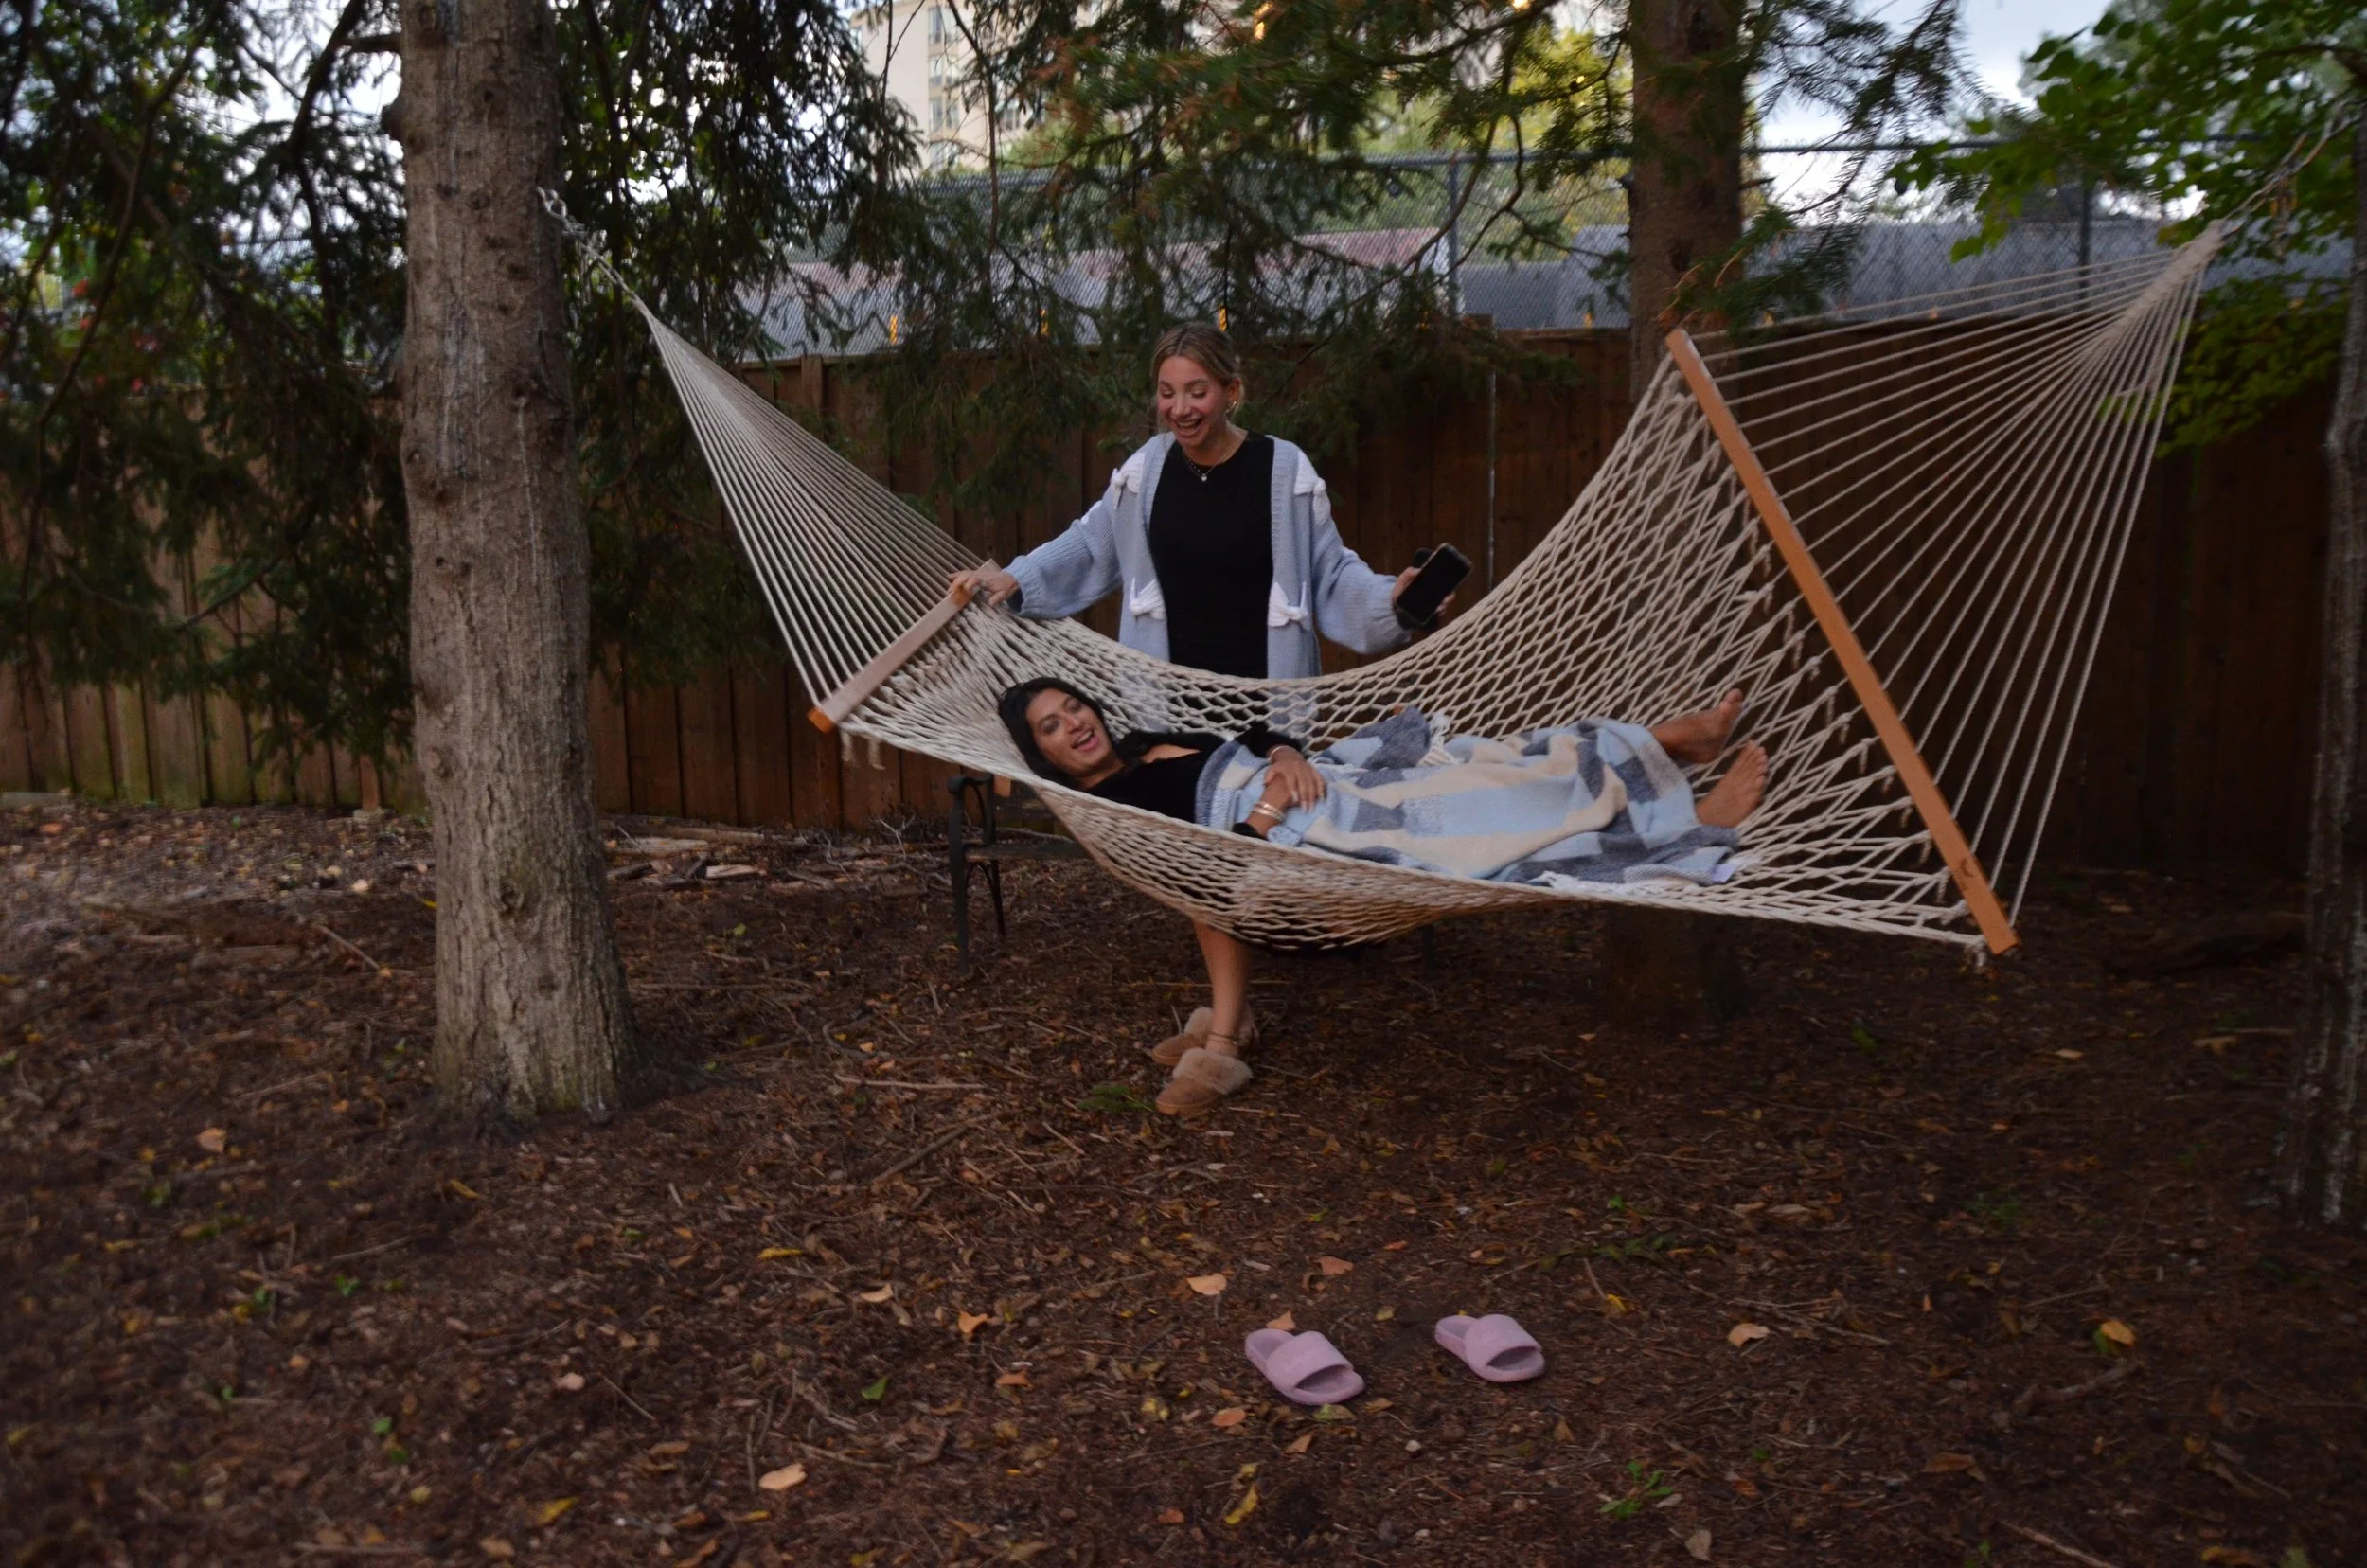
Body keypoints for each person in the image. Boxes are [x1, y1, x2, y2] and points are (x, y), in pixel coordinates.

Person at [998, 677, 1767, 1114]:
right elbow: (1216, 873)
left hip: (1321, 781)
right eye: (1053, 729)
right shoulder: (1120, 805)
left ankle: (1665, 744)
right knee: (1480, 816)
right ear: (1043, 756)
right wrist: (1271, 805)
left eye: (1075, 709)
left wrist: (1288, 758)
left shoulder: (1145, 744)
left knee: (1487, 763)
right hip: (1307, 831)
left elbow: (1260, 736)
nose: (1075, 726)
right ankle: (1689, 819)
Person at [947, 321, 1436, 680]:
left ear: (1231, 392)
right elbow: (1094, 544)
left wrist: (1391, 601)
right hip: (1163, 712)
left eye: (1197, 392)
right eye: (1167, 393)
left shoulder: (1285, 470)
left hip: (1263, 710)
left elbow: (1330, 576)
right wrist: (1018, 577)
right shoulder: (1148, 468)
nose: (1179, 410)